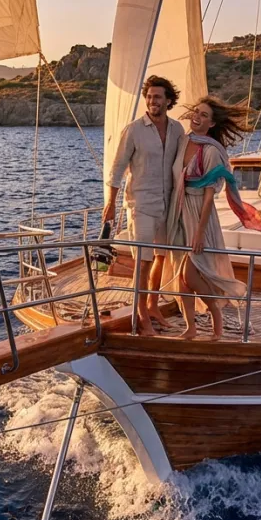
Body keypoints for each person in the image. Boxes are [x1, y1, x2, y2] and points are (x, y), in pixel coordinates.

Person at [167, 96, 261, 340]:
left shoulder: (210, 150)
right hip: (180, 213)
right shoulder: (183, 141)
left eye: (203, 115)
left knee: (190, 275)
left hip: (201, 216)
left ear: (211, 124)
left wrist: (200, 233)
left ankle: (217, 320)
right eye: (196, 112)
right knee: (181, 282)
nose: (197, 117)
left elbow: (209, 198)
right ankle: (190, 327)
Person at [104, 75, 185, 336]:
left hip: (168, 203)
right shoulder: (134, 130)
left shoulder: (177, 130)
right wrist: (111, 203)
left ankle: (152, 305)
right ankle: (141, 316)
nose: (152, 101)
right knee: (143, 261)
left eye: (157, 97)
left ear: (168, 100)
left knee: (161, 257)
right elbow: (117, 169)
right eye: (149, 96)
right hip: (141, 203)